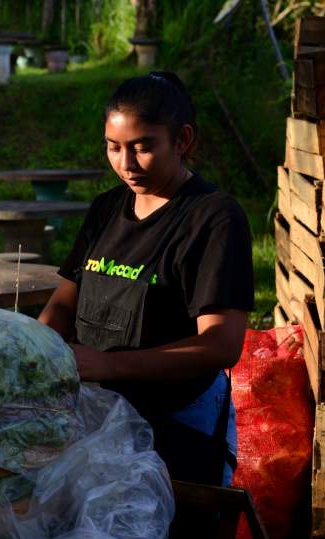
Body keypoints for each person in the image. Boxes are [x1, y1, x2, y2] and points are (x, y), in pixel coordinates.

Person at [39, 71, 254, 486]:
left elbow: (221, 344)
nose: (126, 164)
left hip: (177, 428)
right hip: (97, 417)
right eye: (113, 147)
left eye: (143, 148)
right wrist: (36, 353)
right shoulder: (106, 209)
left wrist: (109, 365)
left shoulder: (214, 218)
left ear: (183, 140)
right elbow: (65, 302)